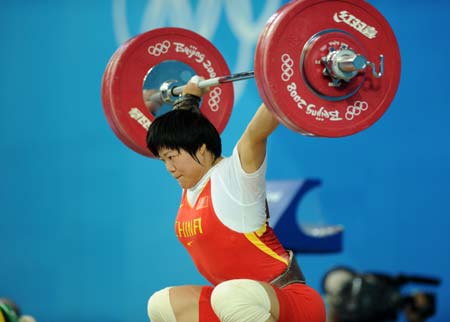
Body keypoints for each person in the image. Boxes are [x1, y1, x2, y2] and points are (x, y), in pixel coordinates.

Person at [145, 76, 326, 322]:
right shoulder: (192, 182)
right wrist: (190, 97)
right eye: (164, 160)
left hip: (289, 303)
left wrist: (293, 79)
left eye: (172, 157)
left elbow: (257, 132)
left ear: (201, 149)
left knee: (228, 295)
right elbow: (185, 128)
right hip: (235, 305)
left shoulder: (235, 176)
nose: (169, 167)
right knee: (162, 304)